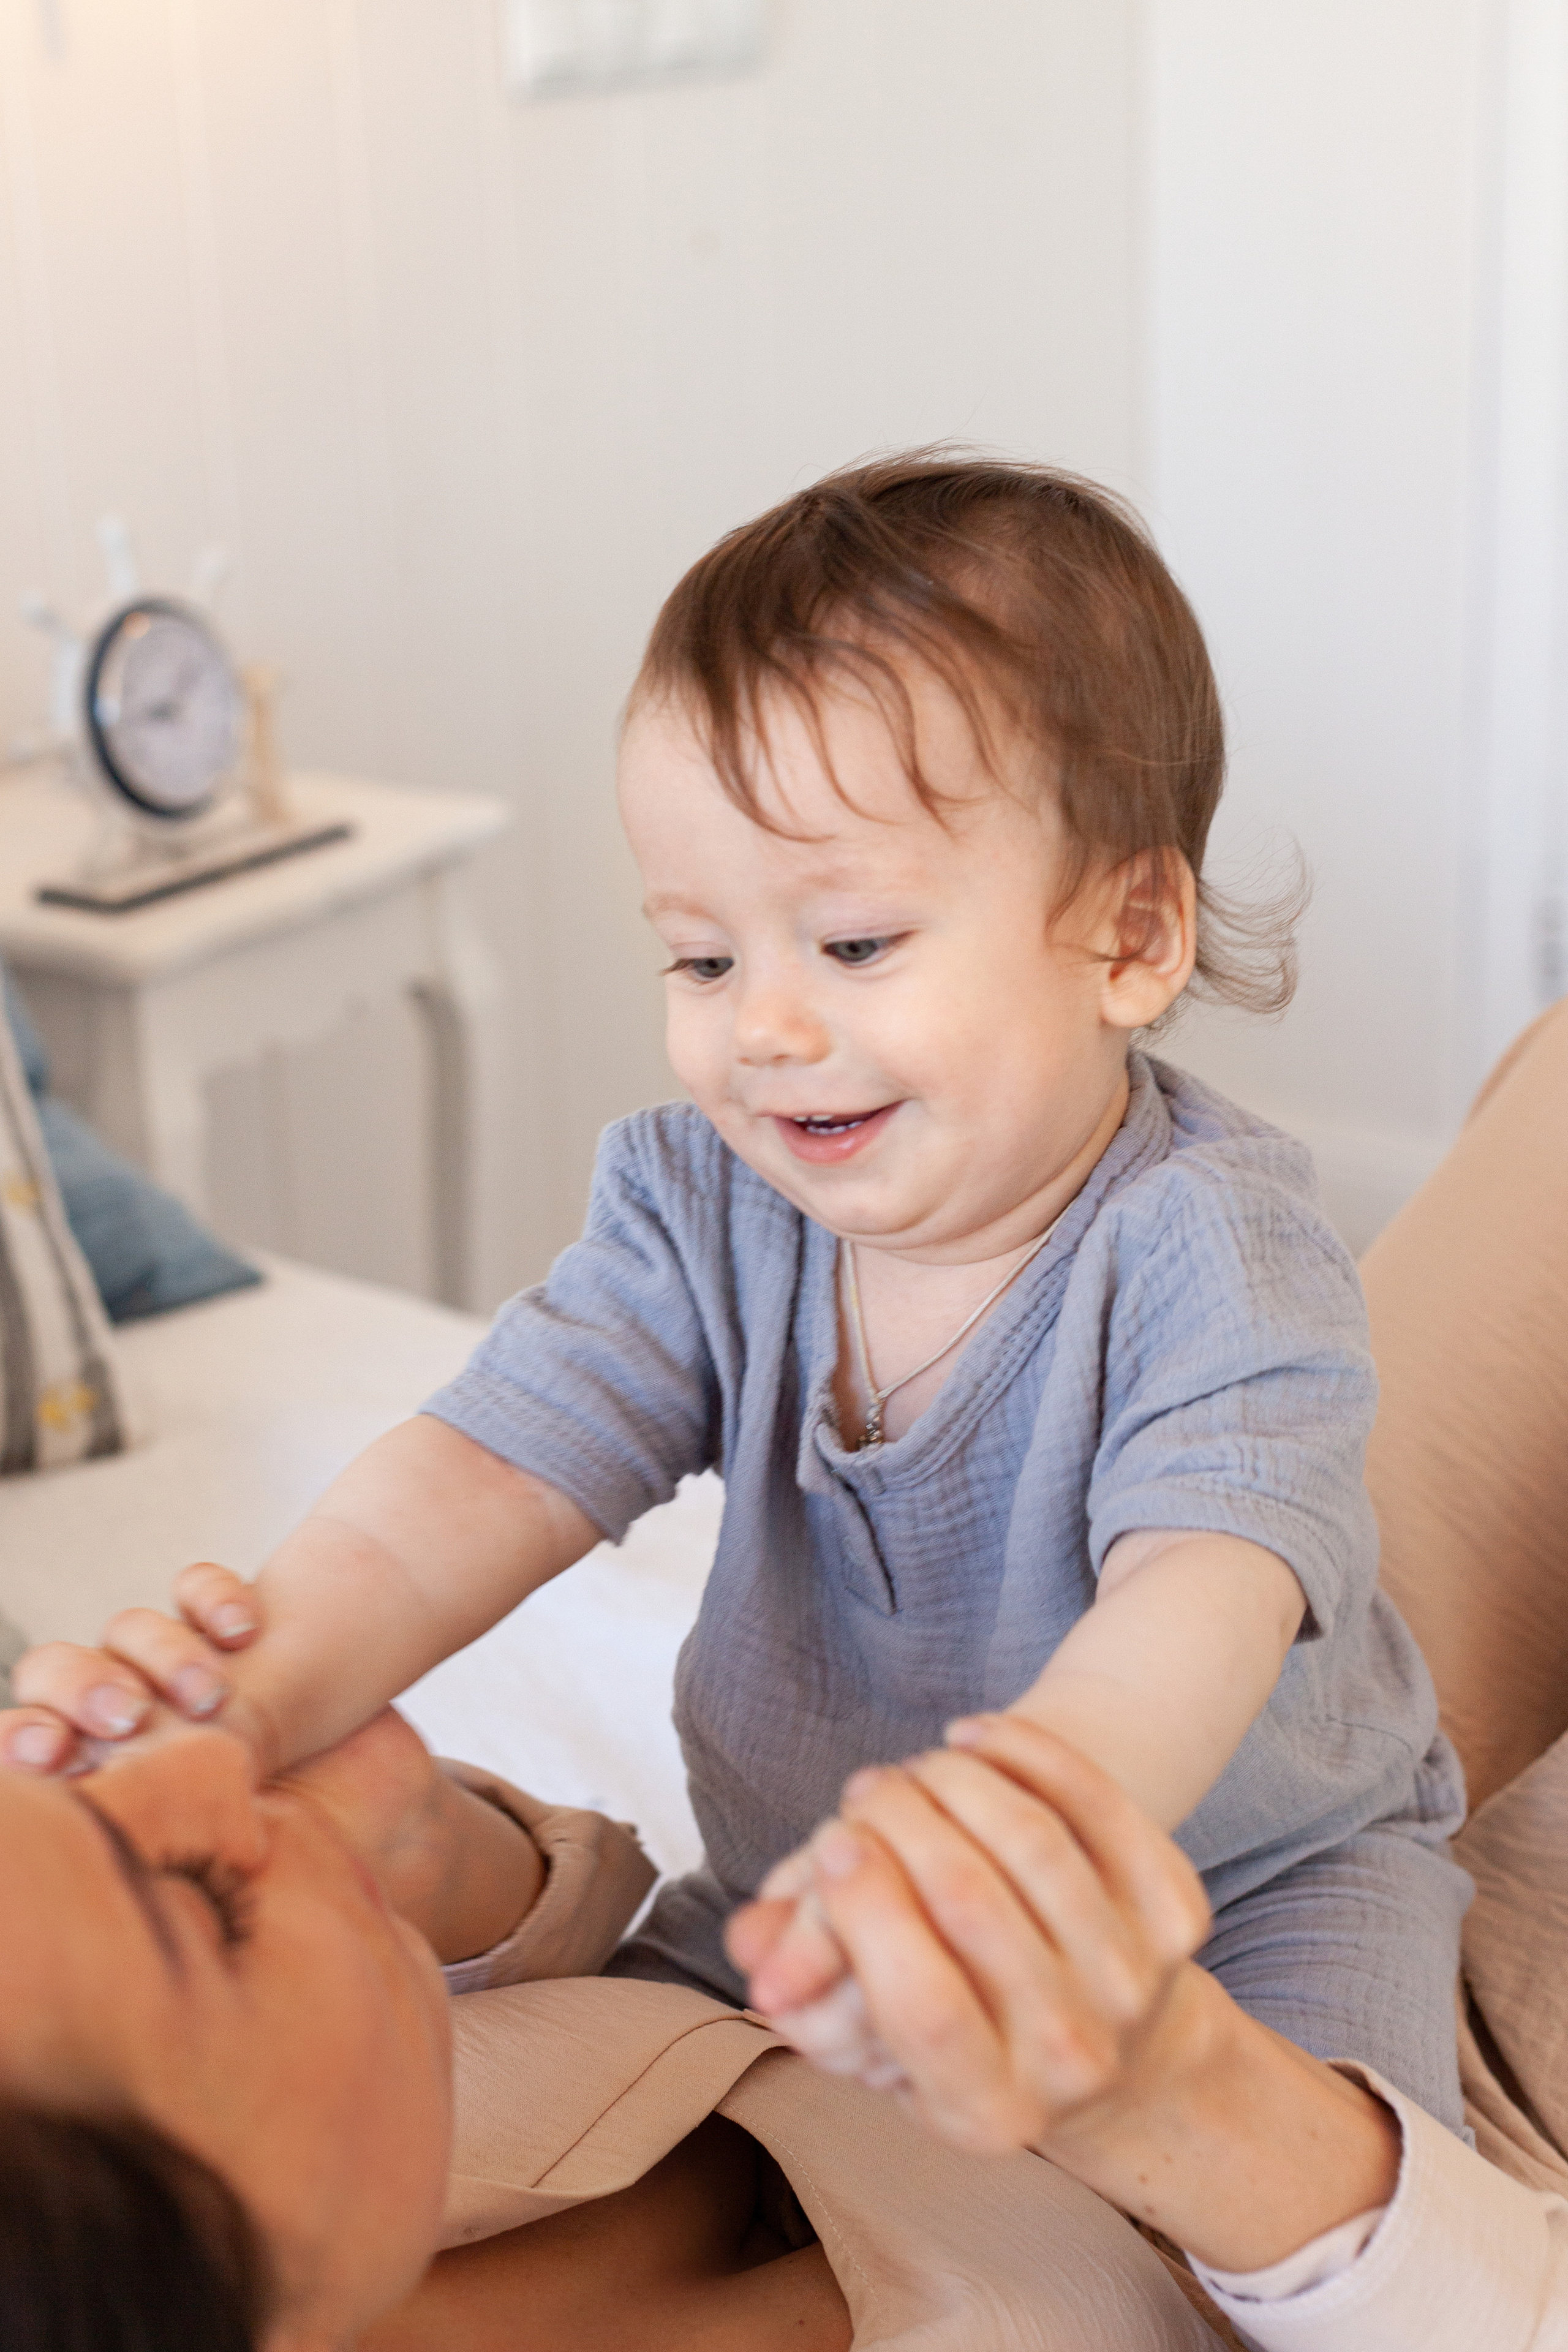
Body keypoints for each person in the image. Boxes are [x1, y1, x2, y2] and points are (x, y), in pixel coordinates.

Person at [7, 453, 1470, 2134]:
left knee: (1336, 2197)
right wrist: (249, 1703)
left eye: (851, 944)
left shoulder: (1212, 1247)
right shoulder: (706, 1207)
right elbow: (470, 1490)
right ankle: (439, 1857)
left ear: (1130, 937)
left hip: (1249, 1900)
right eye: (702, 958)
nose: (762, 1028)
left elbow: (1193, 1605)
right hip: (807, 1884)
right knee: (573, 2109)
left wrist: (1027, 1831)